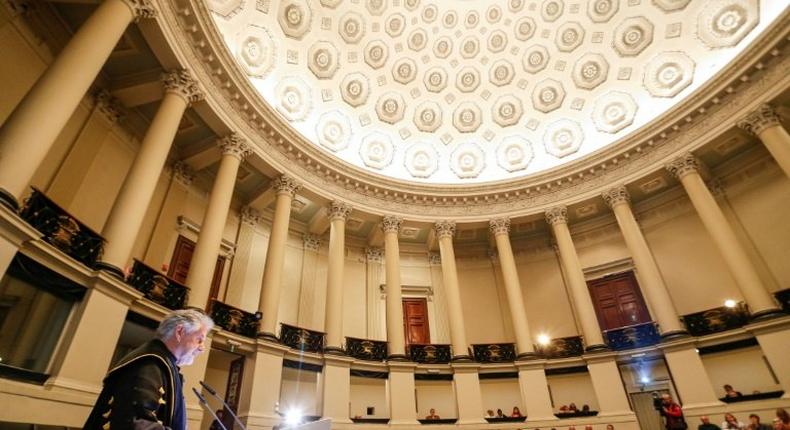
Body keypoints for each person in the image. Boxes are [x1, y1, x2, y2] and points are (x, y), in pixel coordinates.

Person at [84, 309, 214, 430]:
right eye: (199, 340)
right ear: (180, 332)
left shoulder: (163, 364)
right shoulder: (148, 365)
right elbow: (135, 422)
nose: (202, 348)